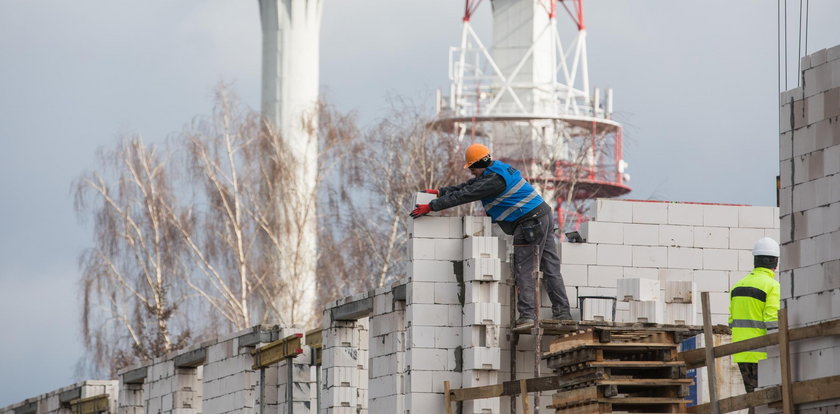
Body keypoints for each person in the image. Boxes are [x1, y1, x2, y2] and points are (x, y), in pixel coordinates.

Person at [410, 143, 572, 326]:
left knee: (524, 269)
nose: (471, 172)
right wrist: (441, 192)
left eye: (471, 168)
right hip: (543, 216)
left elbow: (465, 195)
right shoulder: (496, 170)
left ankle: (528, 316)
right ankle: (563, 312)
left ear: (476, 165)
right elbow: (468, 186)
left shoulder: (493, 182)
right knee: (551, 269)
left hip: (529, 223)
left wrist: (431, 206)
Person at [729, 237, 781, 397]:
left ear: (755, 261)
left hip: (741, 353)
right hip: (762, 354)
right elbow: (773, 322)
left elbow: (731, 321)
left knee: (752, 398)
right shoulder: (772, 286)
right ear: (776, 263)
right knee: (764, 401)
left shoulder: (738, 286)